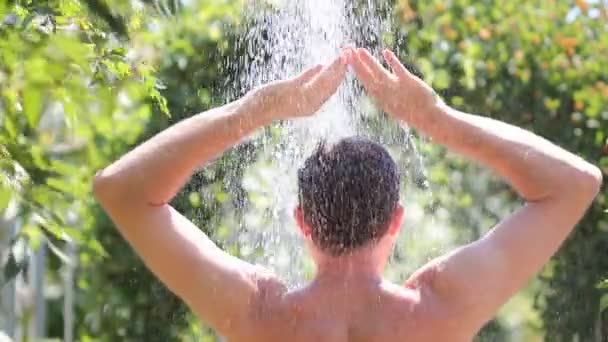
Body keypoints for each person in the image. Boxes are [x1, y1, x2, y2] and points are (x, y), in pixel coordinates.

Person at [93, 48, 602, 341]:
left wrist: (251, 111)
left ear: (302, 221)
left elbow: (122, 189)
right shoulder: (440, 310)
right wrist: (440, 121)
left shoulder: (259, 315)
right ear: (395, 220)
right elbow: (574, 184)